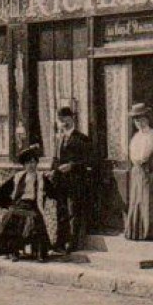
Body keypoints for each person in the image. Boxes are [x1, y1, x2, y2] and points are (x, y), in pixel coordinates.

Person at [0, 144, 52, 261]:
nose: (31, 165)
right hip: (19, 204)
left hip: (33, 206)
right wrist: (8, 205)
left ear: (37, 164)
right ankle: (13, 250)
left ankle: (39, 251)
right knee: (12, 217)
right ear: (24, 165)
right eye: (28, 163)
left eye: (34, 162)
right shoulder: (18, 177)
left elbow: (53, 191)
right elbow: (0, 192)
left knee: (34, 219)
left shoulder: (41, 178)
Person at [51, 107, 93, 254]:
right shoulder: (59, 139)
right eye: (60, 119)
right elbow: (55, 160)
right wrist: (52, 171)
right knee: (61, 212)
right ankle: (60, 242)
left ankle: (72, 243)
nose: (62, 122)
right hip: (61, 182)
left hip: (75, 181)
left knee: (73, 211)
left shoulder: (81, 139)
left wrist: (72, 166)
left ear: (72, 119)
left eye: (65, 119)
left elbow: (89, 161)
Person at [124, 103, 153, 241]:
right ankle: (136, 231)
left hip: (148, 171)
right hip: (137, 171)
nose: (139, 123)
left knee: (148, 199)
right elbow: (132, 155)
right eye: (136, 120)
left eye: (141, 119)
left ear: (147, 119)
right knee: (137, 200)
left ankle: (149, 231)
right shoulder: (135, 137)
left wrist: (152, 164)